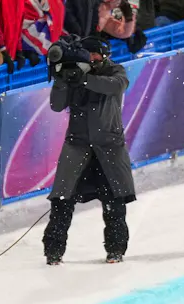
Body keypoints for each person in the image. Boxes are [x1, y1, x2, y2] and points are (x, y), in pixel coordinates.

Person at [45, 36, 135, 265]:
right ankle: (53, 252)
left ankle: (116, 249)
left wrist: (85, 79)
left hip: (108, 147)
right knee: (62, 201)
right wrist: (62, 79)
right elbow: (56, 105)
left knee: (114, 202)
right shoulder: (70, 72)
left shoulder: (116, 70)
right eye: (87, 55)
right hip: (78, 146)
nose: (90, 59)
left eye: (93, 55)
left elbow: (116, 86)